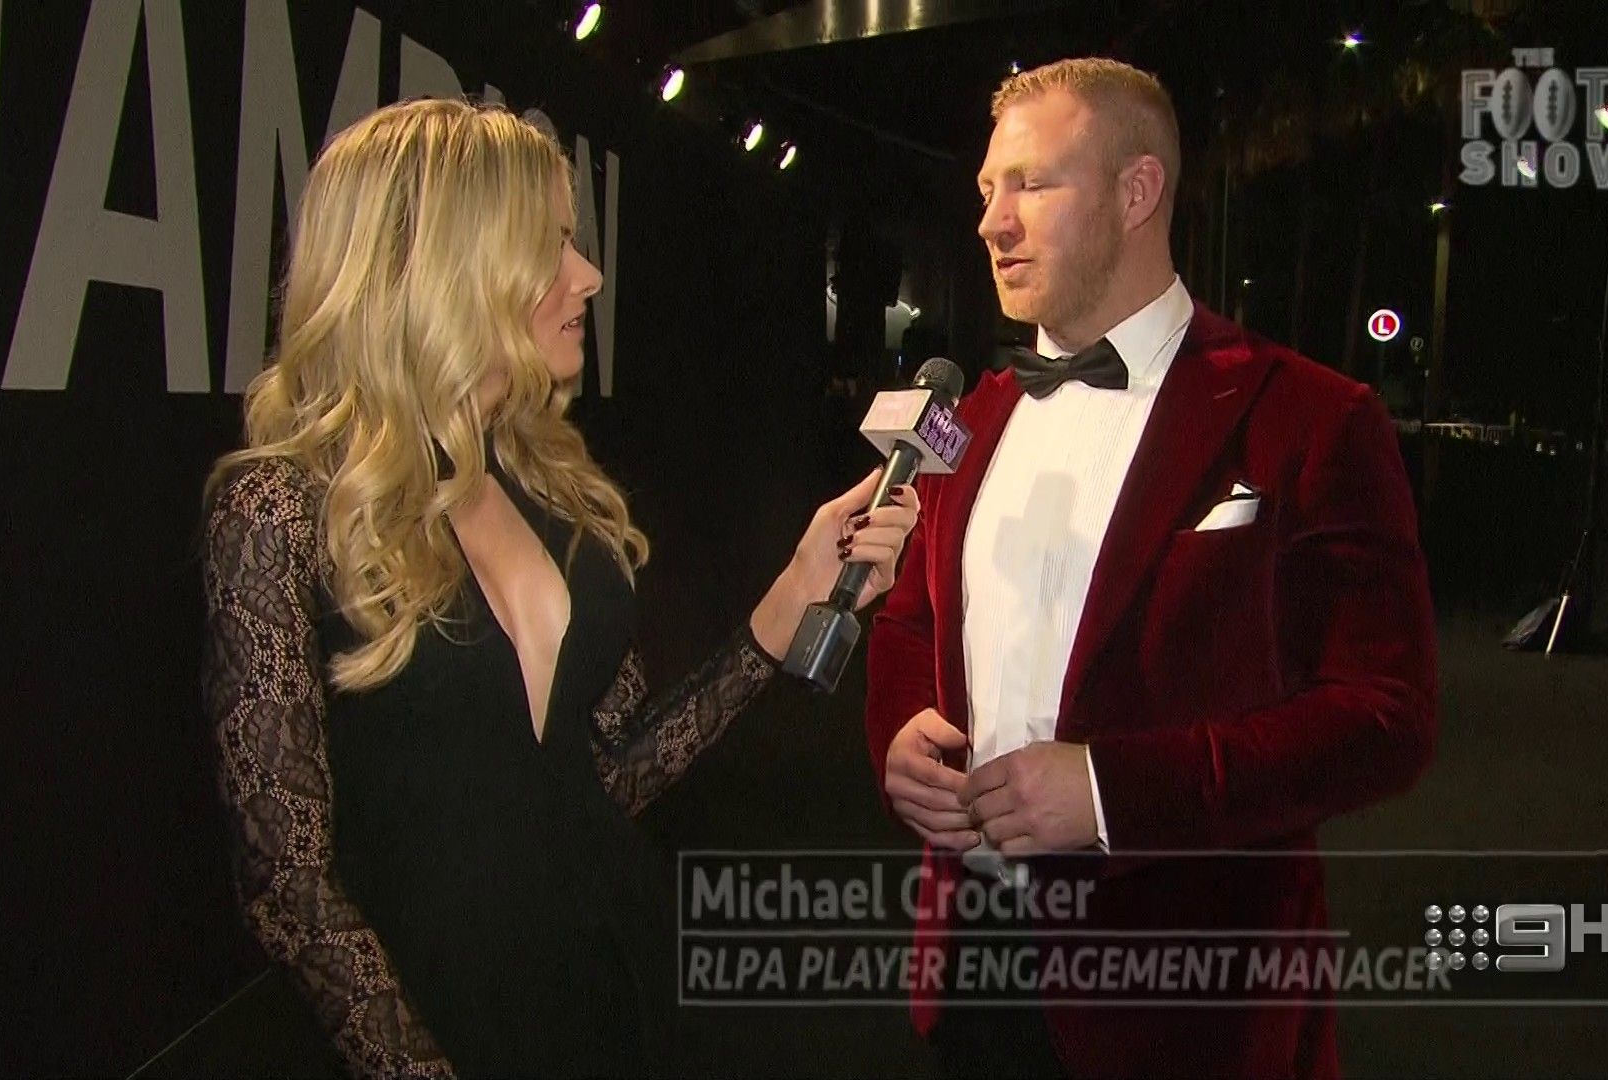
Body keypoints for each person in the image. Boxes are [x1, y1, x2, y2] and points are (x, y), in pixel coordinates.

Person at [199, 98, 917, 1079]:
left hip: (615, 986)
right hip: (430, 1022)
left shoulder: (549, 487)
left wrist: (792, 597)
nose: (588, 275)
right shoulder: (282, 510)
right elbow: (287, 884)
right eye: (552, 245)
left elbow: (608, 774)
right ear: (444, 266)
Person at [864, 58, 1436, 1079]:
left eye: (1033, 185)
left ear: (1137, 192)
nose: (994, 222)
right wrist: (901, 729)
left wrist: (1111, 791)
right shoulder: (973, 415)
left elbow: (1385, 716)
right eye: (988, 189)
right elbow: (911, 618)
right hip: (971, 970)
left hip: (1191, 1002)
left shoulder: (1311, 416)